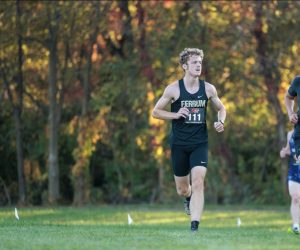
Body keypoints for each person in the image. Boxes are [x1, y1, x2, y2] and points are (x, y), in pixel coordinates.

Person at [152, 48, 226, 231]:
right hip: (179, 144)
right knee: (183, 189)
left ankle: (195, 226)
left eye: (200, 62)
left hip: (200, 143)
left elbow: (221, 108)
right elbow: (156, 112)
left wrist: (220, 121)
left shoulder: (208, 89)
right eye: (194, 62)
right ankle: (188, 198)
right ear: (185, 66)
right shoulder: (173, 89)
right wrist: (175, 114)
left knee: (199, 181)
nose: (198, 65)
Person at [280, 129, 300, 234]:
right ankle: (296, 226)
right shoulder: (290, 134)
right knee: (295, 198)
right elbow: (289, 149)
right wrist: (284, 152)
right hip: (295, 171)